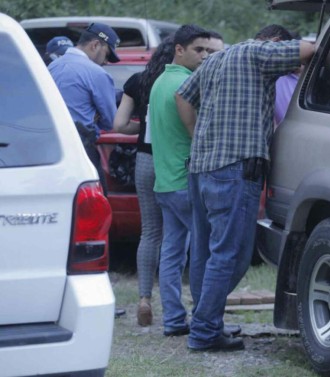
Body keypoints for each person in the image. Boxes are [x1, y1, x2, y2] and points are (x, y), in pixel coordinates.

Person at [176, 24, 316, 352]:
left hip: (201, 168)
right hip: (236, 169)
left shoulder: (215, 59)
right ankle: (205, 332)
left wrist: (196, 134)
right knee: (232, 254)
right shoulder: (259, 52)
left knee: (205, 252)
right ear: (277, 44)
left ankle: (205, 320)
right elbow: (309, 50)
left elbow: (181, 96)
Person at [148, 24, 224, 337]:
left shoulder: (159, 81)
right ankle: (205, 320)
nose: (205, 56)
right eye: (199, 50)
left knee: (172, 254)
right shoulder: (187, 83)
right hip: (184, 181)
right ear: (179, 49)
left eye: (208, 50)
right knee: (204, 253)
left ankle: (173, 320)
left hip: (164, 182)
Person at [113, 36, 175, 327]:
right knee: (178, 233)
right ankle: (173, 306)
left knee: (150, 232)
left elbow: (120, 125)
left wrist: (145, 124)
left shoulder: (138, 81)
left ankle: (143, 298)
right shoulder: (182, 80)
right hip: (174, 161)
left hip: (145, 160)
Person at [49, 23, 121, 195]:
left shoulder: (51, 67)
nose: (106, 62)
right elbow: (111, 121)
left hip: (51, 149)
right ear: (95, 45)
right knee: (95, 202)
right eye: (107, 55)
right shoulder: (97, 73)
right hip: (81, 149)